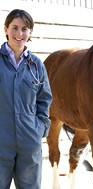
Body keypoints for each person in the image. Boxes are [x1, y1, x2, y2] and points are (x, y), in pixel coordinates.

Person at [0, 9, 52, 188]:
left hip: (29, 142)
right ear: (5, 29)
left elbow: (44, 100)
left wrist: (40, 128)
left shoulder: (36, 65)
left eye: (24, 29)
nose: (19, 33)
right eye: (14, 28)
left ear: (30, 33)